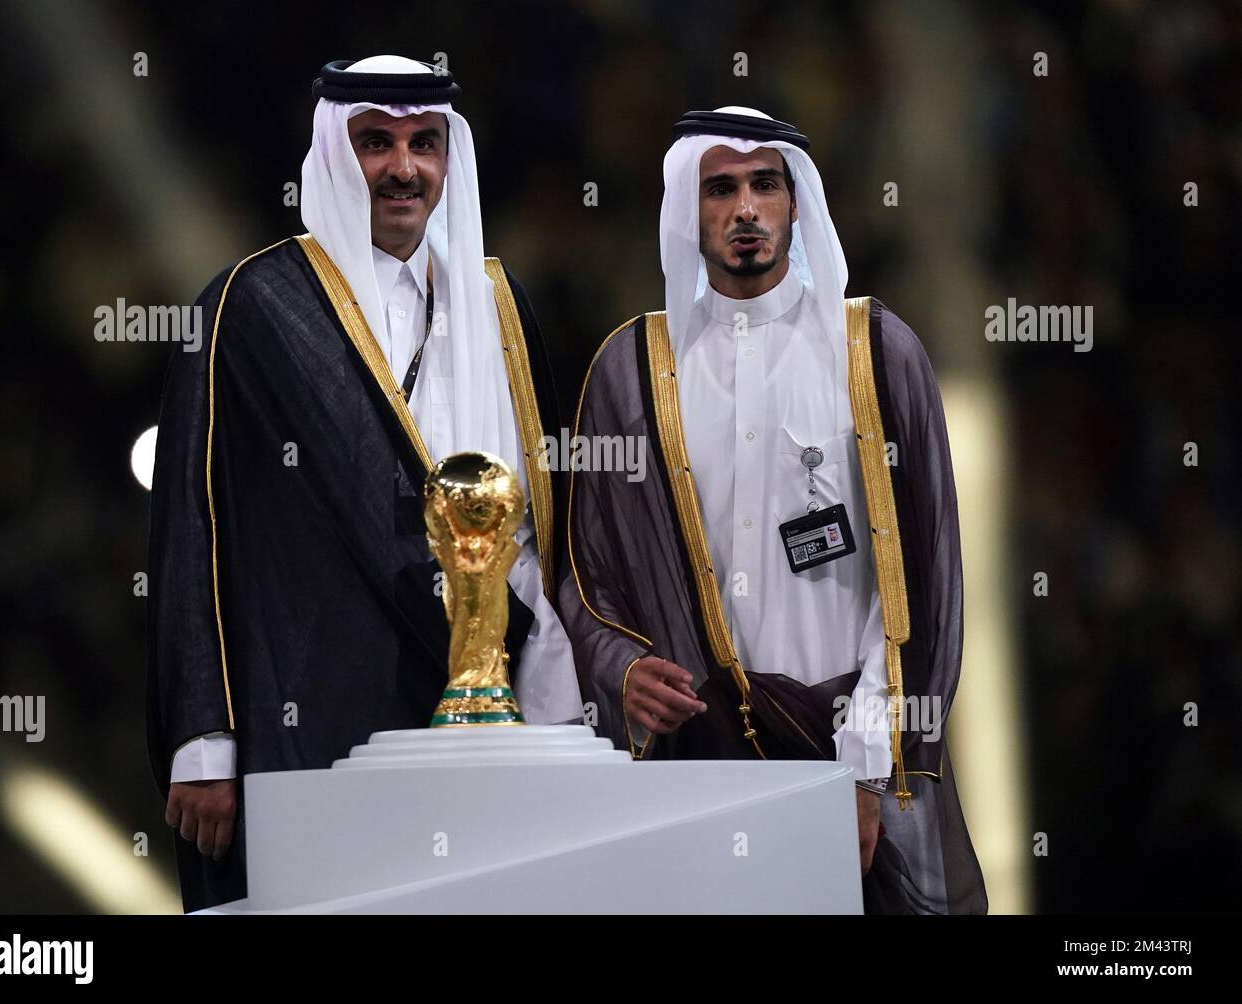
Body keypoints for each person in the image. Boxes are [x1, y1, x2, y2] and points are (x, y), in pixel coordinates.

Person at [146, 55, 581, 911]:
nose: (404, 168)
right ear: (335, 157)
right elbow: (191, 532)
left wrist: (556, 685)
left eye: (424, 143)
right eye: (375, 143)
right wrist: (204, 738)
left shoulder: (500, 305)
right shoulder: (251, 305)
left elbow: (535, 520)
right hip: (310, 707)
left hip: (490, 711)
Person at [559, 106, 987, 914]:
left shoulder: (877, 354)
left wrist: (866, 769)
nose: (745, 210)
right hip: (701, 763)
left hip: (844, 754)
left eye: (765, 185)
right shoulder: (631, 373)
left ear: (798, 202)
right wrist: (622, 671)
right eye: (720, 189)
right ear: (689, 208)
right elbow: (586, 580)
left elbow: (922, 583)